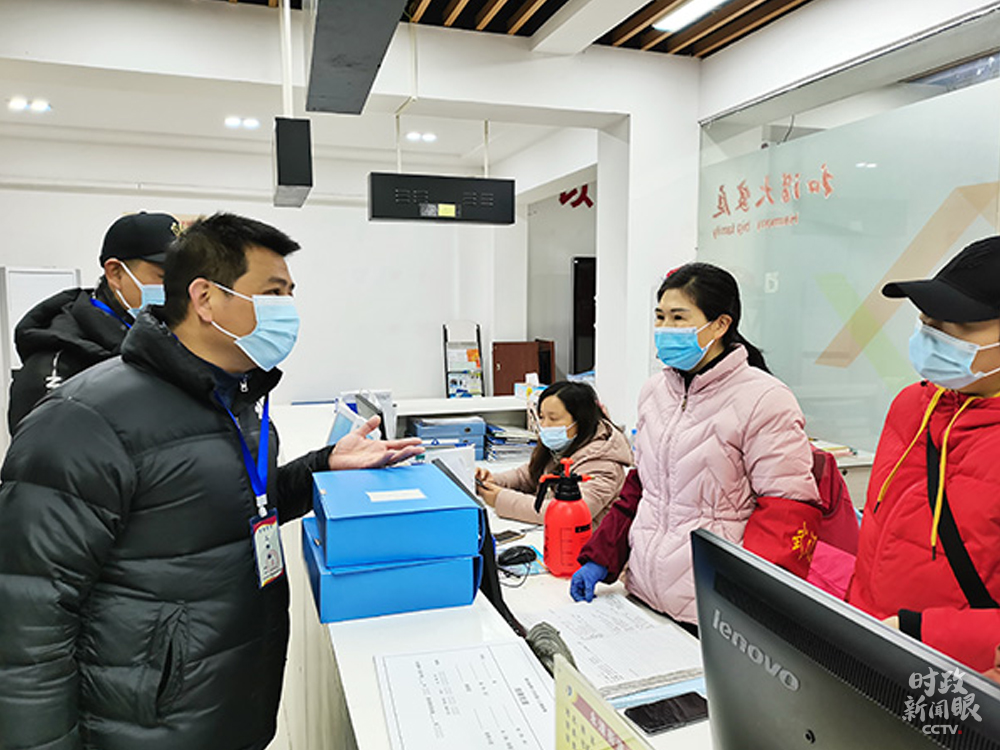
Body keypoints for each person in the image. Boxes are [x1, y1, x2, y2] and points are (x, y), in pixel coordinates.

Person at [0, 213, 422, 750]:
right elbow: (26, 618)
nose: (288, 310)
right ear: (204, 298)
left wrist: (324, 463)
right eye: (273, 293)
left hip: (226, 711)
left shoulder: (235, 399)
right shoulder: (85, 419)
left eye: (290, 294)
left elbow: (231, 510)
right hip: (141, 730)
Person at [570, 262, 822, 629]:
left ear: (720, 324)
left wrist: (749, 602)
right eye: (660, 317)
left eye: (678, 318)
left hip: (714, 607)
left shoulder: (765, 398)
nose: (665, 329)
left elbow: (787, 511)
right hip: (643, 596)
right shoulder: (654, 392)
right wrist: (602, 556)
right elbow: (642, 487)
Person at [848, 236, 1000, 677]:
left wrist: (920, 633)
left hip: (959, 681)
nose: (933, 338)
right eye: (926, 322)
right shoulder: (911, 406)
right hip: (868, 654)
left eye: (958, 326)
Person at [7, 211, 177, 431]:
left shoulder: (166, 343)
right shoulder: (57, 366)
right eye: (164, 277)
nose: (179, 289)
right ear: (115, 273)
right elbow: (43, 448)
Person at [475, 380, 632, 525]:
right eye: (542, 417)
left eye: (554, 418)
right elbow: (529, 475)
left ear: (581, 420)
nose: (545, 425)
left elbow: (569, 513)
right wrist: (493, 480)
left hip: (584, 542)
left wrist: (500, 499)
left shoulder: (604, 463)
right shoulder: (564, 447)